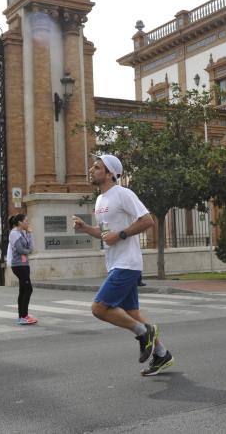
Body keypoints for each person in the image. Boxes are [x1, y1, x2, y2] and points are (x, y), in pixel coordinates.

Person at [73, 154, 175, 375]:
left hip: (127, 263)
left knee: (99, 308)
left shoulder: (123, 194)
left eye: (97, 167)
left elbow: (147, 220)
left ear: (110, 173)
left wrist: (121, 234)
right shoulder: (100, 200)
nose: (91, 169)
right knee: (132, 312)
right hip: (114, 262)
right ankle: (162, 355)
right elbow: (106, 234)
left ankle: (143, 333)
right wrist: (86, 229)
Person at [7, 213, 37, 325]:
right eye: (26, 221)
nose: (28, 223)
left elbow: (31, 247)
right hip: (18, 265)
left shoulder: (23, 233)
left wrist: (29, 234)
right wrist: (28, 251)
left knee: (23, 290)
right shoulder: (14, 233)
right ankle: (23, 316)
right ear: (20, 222)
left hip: (24, 264)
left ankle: (23, 315)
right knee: (28, 289)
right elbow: (20, 249)